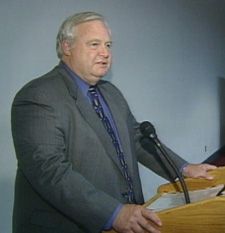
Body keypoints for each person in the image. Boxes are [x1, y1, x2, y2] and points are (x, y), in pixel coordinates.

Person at [11, 11, 216, 233]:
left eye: (108, 45)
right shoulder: (38, 95)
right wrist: (113, 213)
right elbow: (49, 171)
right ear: (66, 47)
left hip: (128, 217)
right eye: (94, 44)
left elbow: (138, 140)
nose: (105, 53)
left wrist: (183, 169)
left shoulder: (111, 93)